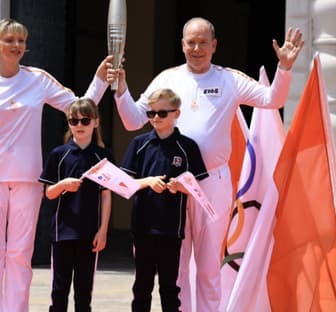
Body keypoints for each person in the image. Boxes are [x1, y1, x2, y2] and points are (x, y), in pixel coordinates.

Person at [107, 17, 304, 311]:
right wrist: (120, 89)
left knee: (210, 264)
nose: (196, 48)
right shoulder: (167, 78)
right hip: (172, 187)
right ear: (182, 45)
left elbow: (272, 100)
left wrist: (285, 68)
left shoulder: (229, 79)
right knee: (178, 264)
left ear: (214, 45)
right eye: (190, 42)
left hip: (213, 181)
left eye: (202, 43)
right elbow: (133, 119)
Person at [0, 18, 110, 312]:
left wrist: (100, 79)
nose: (16, 46)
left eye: (21, 41)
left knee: (19, 252)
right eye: (9, 40)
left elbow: (79, 107)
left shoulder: (38, 79)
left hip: (29, 179)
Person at [121, 88, 208, 312]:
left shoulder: (187, 147)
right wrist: (147, 181)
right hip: (143, 226)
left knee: (169, 287)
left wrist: (182, 186)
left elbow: (197, 186)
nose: (156, 119)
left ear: (176, 113)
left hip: (171, 228)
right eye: (151, 114)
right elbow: (123, 184)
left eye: (162, 113)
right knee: (142, 286)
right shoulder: (139, 144)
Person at [39, 98, 112, 312]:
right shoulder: (59, 155)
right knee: (59, 291)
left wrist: (103, 230)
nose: (79, 125)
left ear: (95, 122)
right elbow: (48, 194)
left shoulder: (103, 157)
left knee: (84, 293)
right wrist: (62, 185)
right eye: (73, 121)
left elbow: (106, 196)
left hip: (90, 234)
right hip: (62, 233)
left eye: (85, 120)